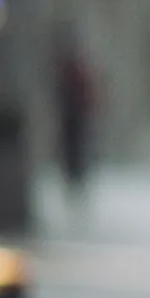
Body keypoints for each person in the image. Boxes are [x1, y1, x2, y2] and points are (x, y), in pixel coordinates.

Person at [53, 33, 95, 207]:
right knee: (73, 153)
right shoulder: (70, 72)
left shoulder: (76, 73)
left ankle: (77, 182)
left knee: (77, 152)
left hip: (76, 119)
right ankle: (74, 182)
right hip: (71, 119)